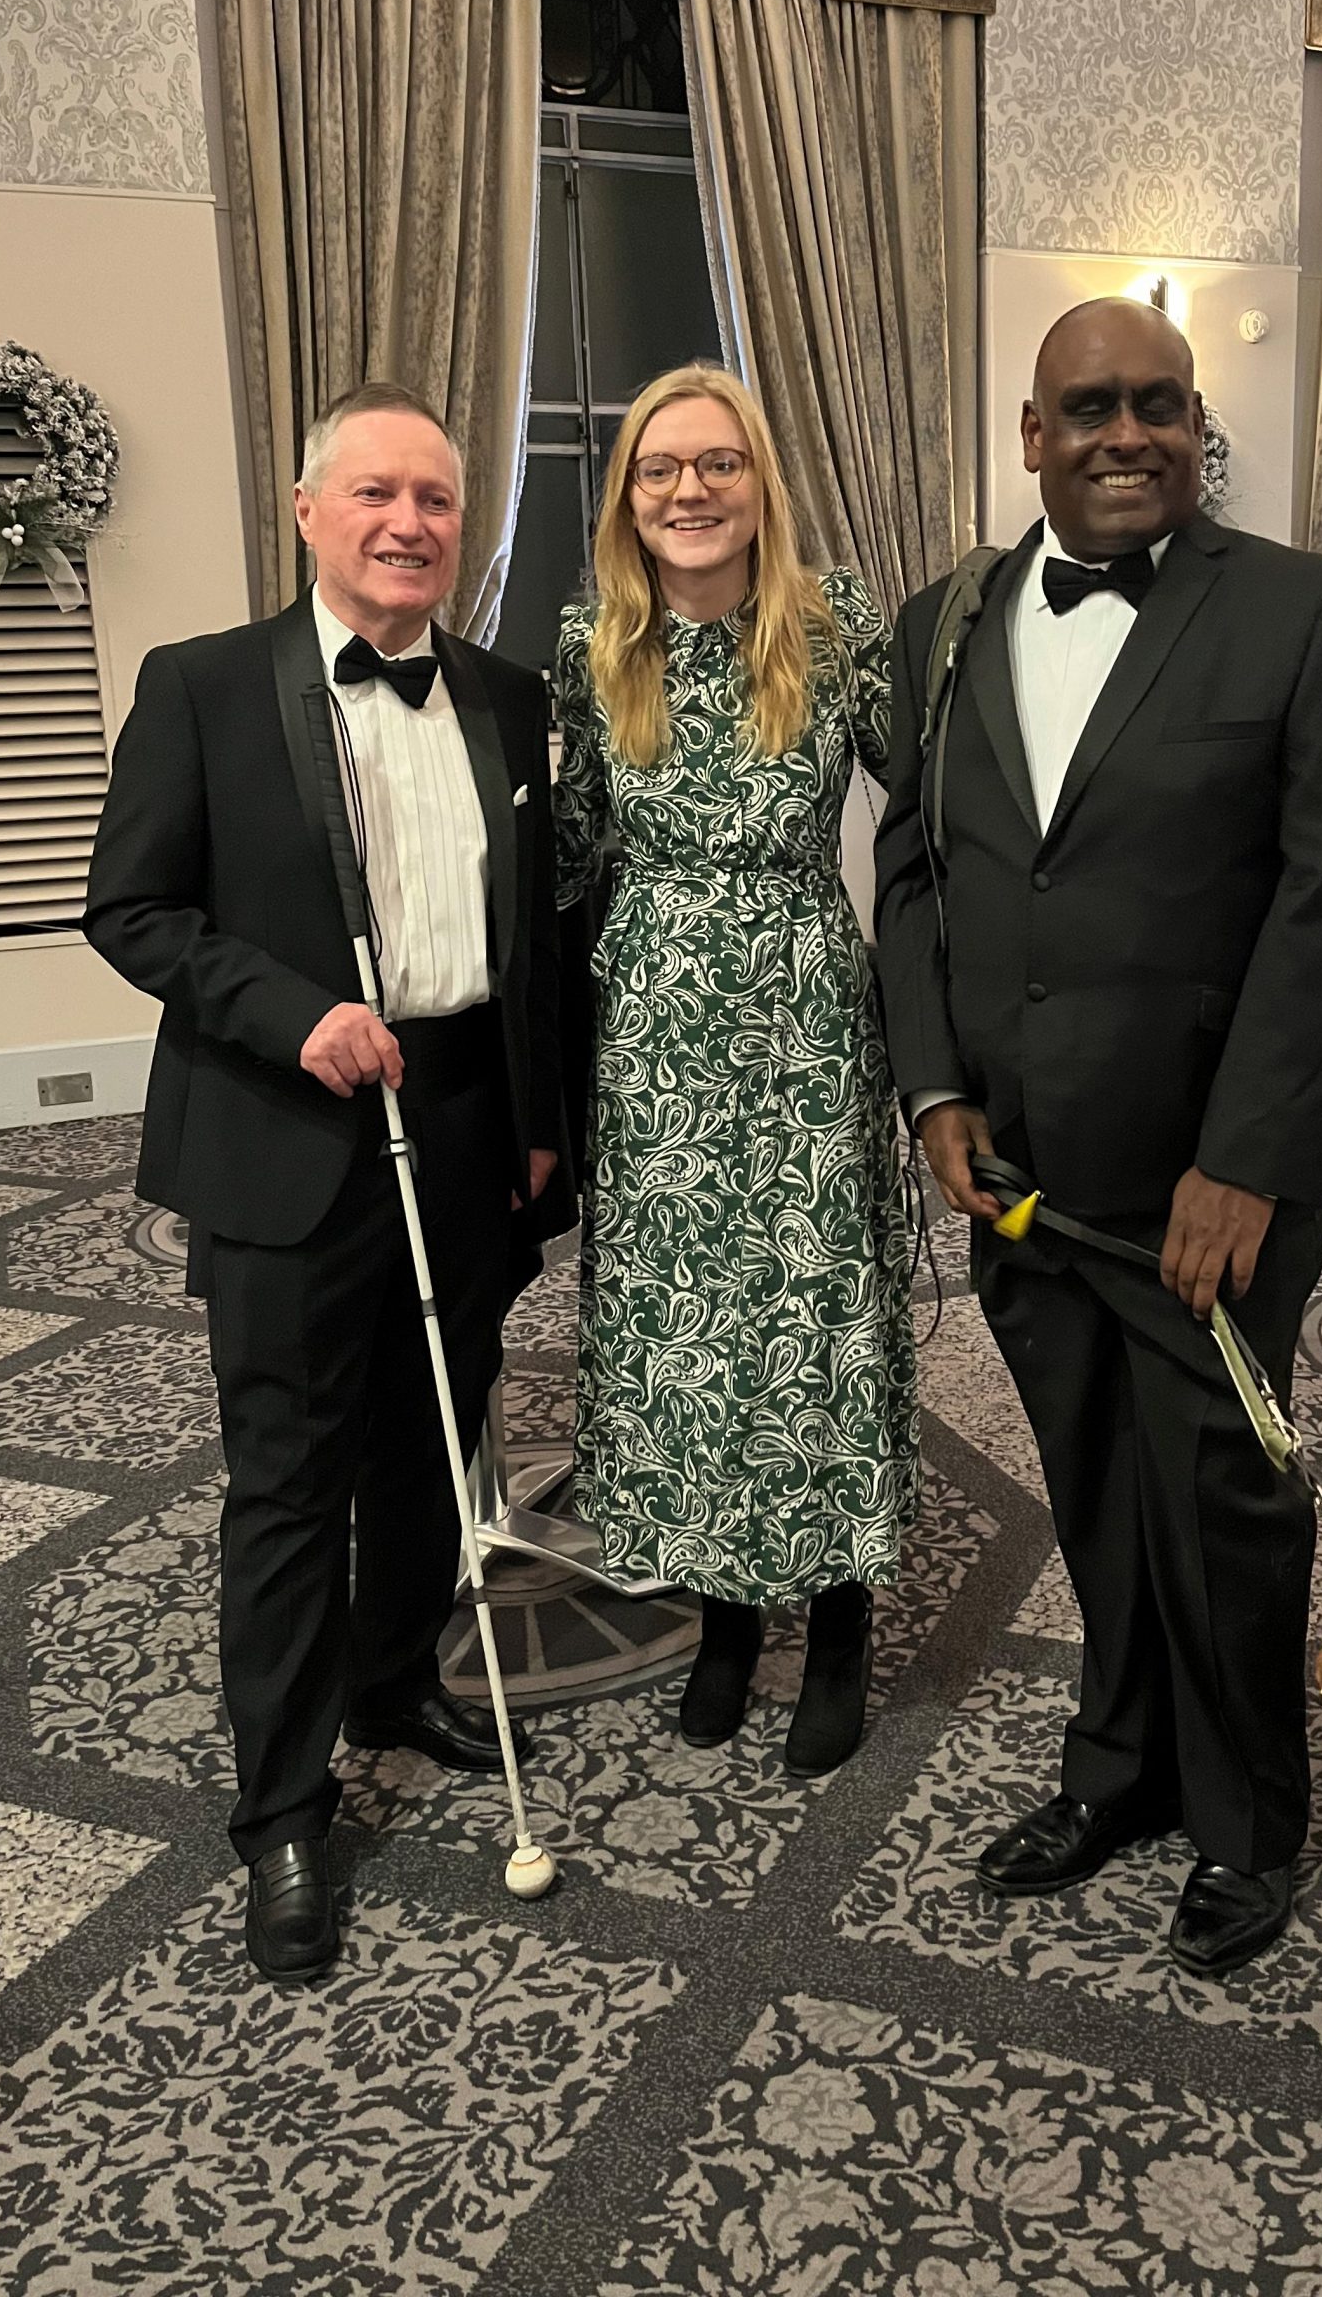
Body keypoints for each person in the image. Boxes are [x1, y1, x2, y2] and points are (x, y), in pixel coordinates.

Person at [874, 299, 1322, 1975]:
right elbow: (918, 876)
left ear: (1195, 428)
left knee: (1229, 1498)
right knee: (1093, 1486)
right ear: (1030, 434)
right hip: (1019, 1175)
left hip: (1206, 1189)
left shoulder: (1304, 610)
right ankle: (1123, 1766)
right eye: (1089, 407)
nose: (1127, 435)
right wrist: (937, 1089)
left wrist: (1247, 1157)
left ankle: (1252, 1817)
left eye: (1159, 405)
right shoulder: (940, 620)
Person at [84, 381, 571, 1979]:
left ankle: (388, 1675)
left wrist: (545, 1115)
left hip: (471, 1130)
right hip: (289, 1135)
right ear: (308, 513)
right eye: (375, 493)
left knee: (433, 1434)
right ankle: (284, 1813)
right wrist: (295, 1019)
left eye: (435, 498)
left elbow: (538, 940)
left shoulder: (506, 697)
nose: (408, 523)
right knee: (289, 1484)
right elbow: (134, 910)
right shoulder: (204, 686)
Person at [554, 362, 917, 1777]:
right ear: (628, 500)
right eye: (660, 470)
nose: (689, 491)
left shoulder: (836, 637)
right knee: (687, 1329)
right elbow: (568, 857)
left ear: (763, 484)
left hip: (807, 1017)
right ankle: (721, 1615)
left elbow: (940, 815)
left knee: (813, 1322)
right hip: (652, 1033)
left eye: (718, 465)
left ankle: (836, 1618)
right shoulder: (590, 647)